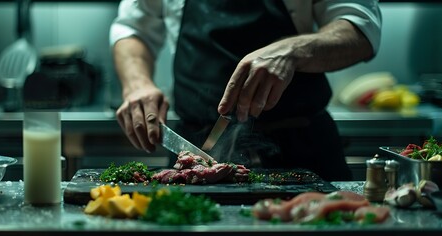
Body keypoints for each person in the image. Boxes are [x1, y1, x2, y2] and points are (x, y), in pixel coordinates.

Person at [110, 0, 382, 181]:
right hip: (196, 149)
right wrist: (137, 84)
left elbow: (360, 26)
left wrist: (294, 50)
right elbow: (133, 29)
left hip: (303, 148)